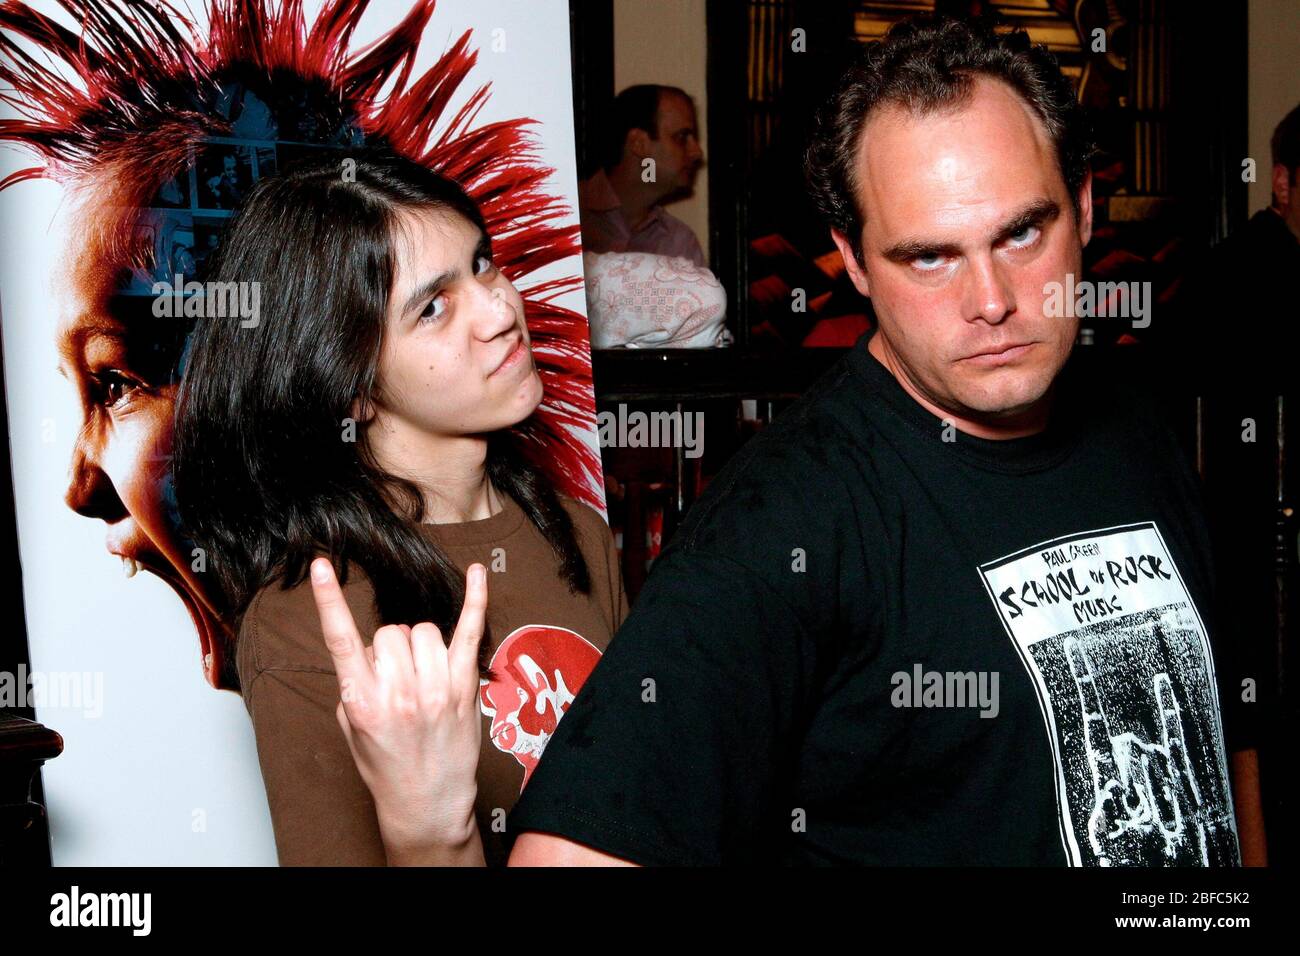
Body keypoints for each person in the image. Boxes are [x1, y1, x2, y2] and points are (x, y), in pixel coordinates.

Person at [499, 15, 1267, 866]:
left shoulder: (1132, 421)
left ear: (1082, 210)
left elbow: (1220, 744)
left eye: (1022, 233)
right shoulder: (784, 518)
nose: (992, 299)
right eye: (929, 258)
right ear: (856, 262)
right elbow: (566, 854)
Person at [0, 0, 602, 693]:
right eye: (435, 302)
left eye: (117, 383)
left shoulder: (575, 543)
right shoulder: (300, 636)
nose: (80, 490)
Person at [172, 149, 628, 867]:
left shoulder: (575, 531)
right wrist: (430, 831)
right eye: (434, 307)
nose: (501, 309)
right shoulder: (306, 621)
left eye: (482, 263)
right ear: (351, 387)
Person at [579, 84, 707, 267]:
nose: (696, 152)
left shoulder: (679, 243)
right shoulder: (565, 211)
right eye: (681, 137)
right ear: (639, 144)